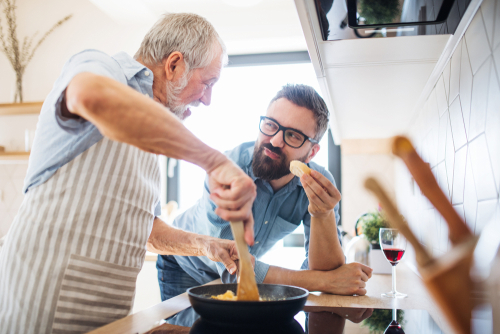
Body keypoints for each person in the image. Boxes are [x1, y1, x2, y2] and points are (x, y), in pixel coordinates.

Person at [0, 13, 257, 334]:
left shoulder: (153, 132)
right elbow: (91, 95)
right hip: (40, 299)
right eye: (207, 84)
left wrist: (204, 246)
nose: (207, 99)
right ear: (174, 64)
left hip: (109, 314)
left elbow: (145, 229)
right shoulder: (102, 67)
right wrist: (215, 162)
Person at [157, 84, 373, 304]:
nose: (275, 141)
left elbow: (331, 272)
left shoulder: (319, 184)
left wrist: (322, 215)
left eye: (293, 135)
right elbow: (234, 267)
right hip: (185, 265)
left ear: (312, 152)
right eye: (270, 125)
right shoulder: (227, 170)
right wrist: (324, 282)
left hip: (246, 279)